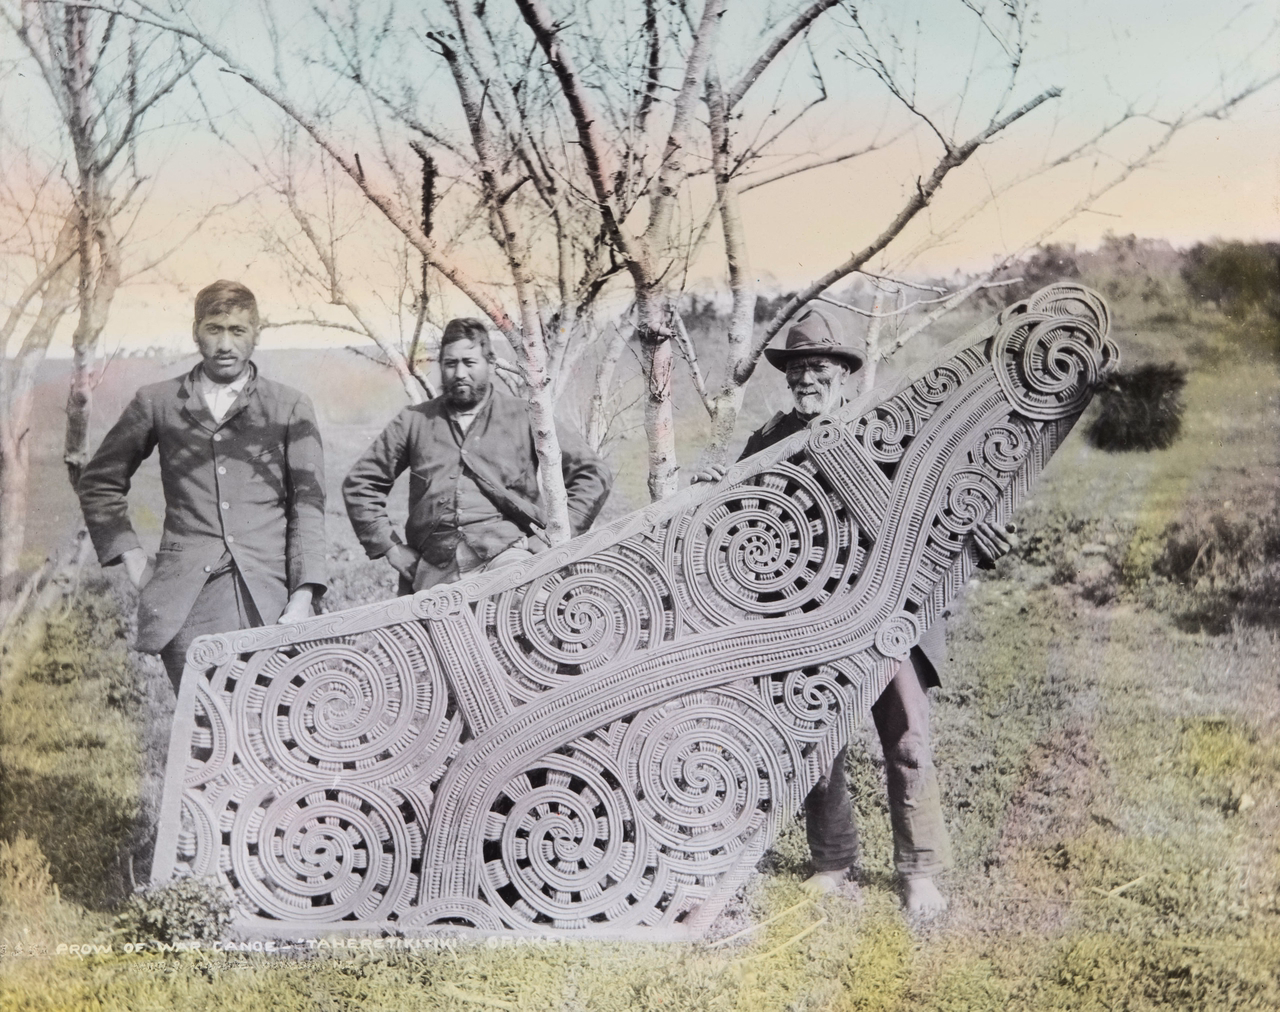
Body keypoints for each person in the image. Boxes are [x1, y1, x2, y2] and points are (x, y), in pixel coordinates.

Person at [692, 304, 1014, 917]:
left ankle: (919, 872)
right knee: (816, 745)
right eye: (797, 371)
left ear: (842, 373)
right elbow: (738, 520)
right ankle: (832, 862)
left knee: (909, 739)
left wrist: (980, 526)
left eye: (819, 368)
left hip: (891, 614)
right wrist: (716, 489)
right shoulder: (768, 443)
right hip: (812, 617)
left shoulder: (886, 429)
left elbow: (944, 494)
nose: (807, 380)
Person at [77, 280, 327, 691]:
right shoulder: (157, 401)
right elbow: (100, 481)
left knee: (283, 725)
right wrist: (133, 559)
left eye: (237, 331)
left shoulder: (288, 405)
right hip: (188, 601)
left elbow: (308, 504)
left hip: (271, 596)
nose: (225, 344)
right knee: (206, 732)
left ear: (256, 334)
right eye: (214, 329)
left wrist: (302, 596)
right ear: (196, 331)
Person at [343, 317, 611, 594]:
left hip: (509, 555)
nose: (459, 373)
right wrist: (391, 548)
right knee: (434, 635)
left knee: (525, 611)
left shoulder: (523, 414)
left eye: (469, 363)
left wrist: (555, 535)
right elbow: (361, 484)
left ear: (490, 363)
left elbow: (593, 473)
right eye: (450, 363)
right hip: (437, 566)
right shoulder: (413, 421)